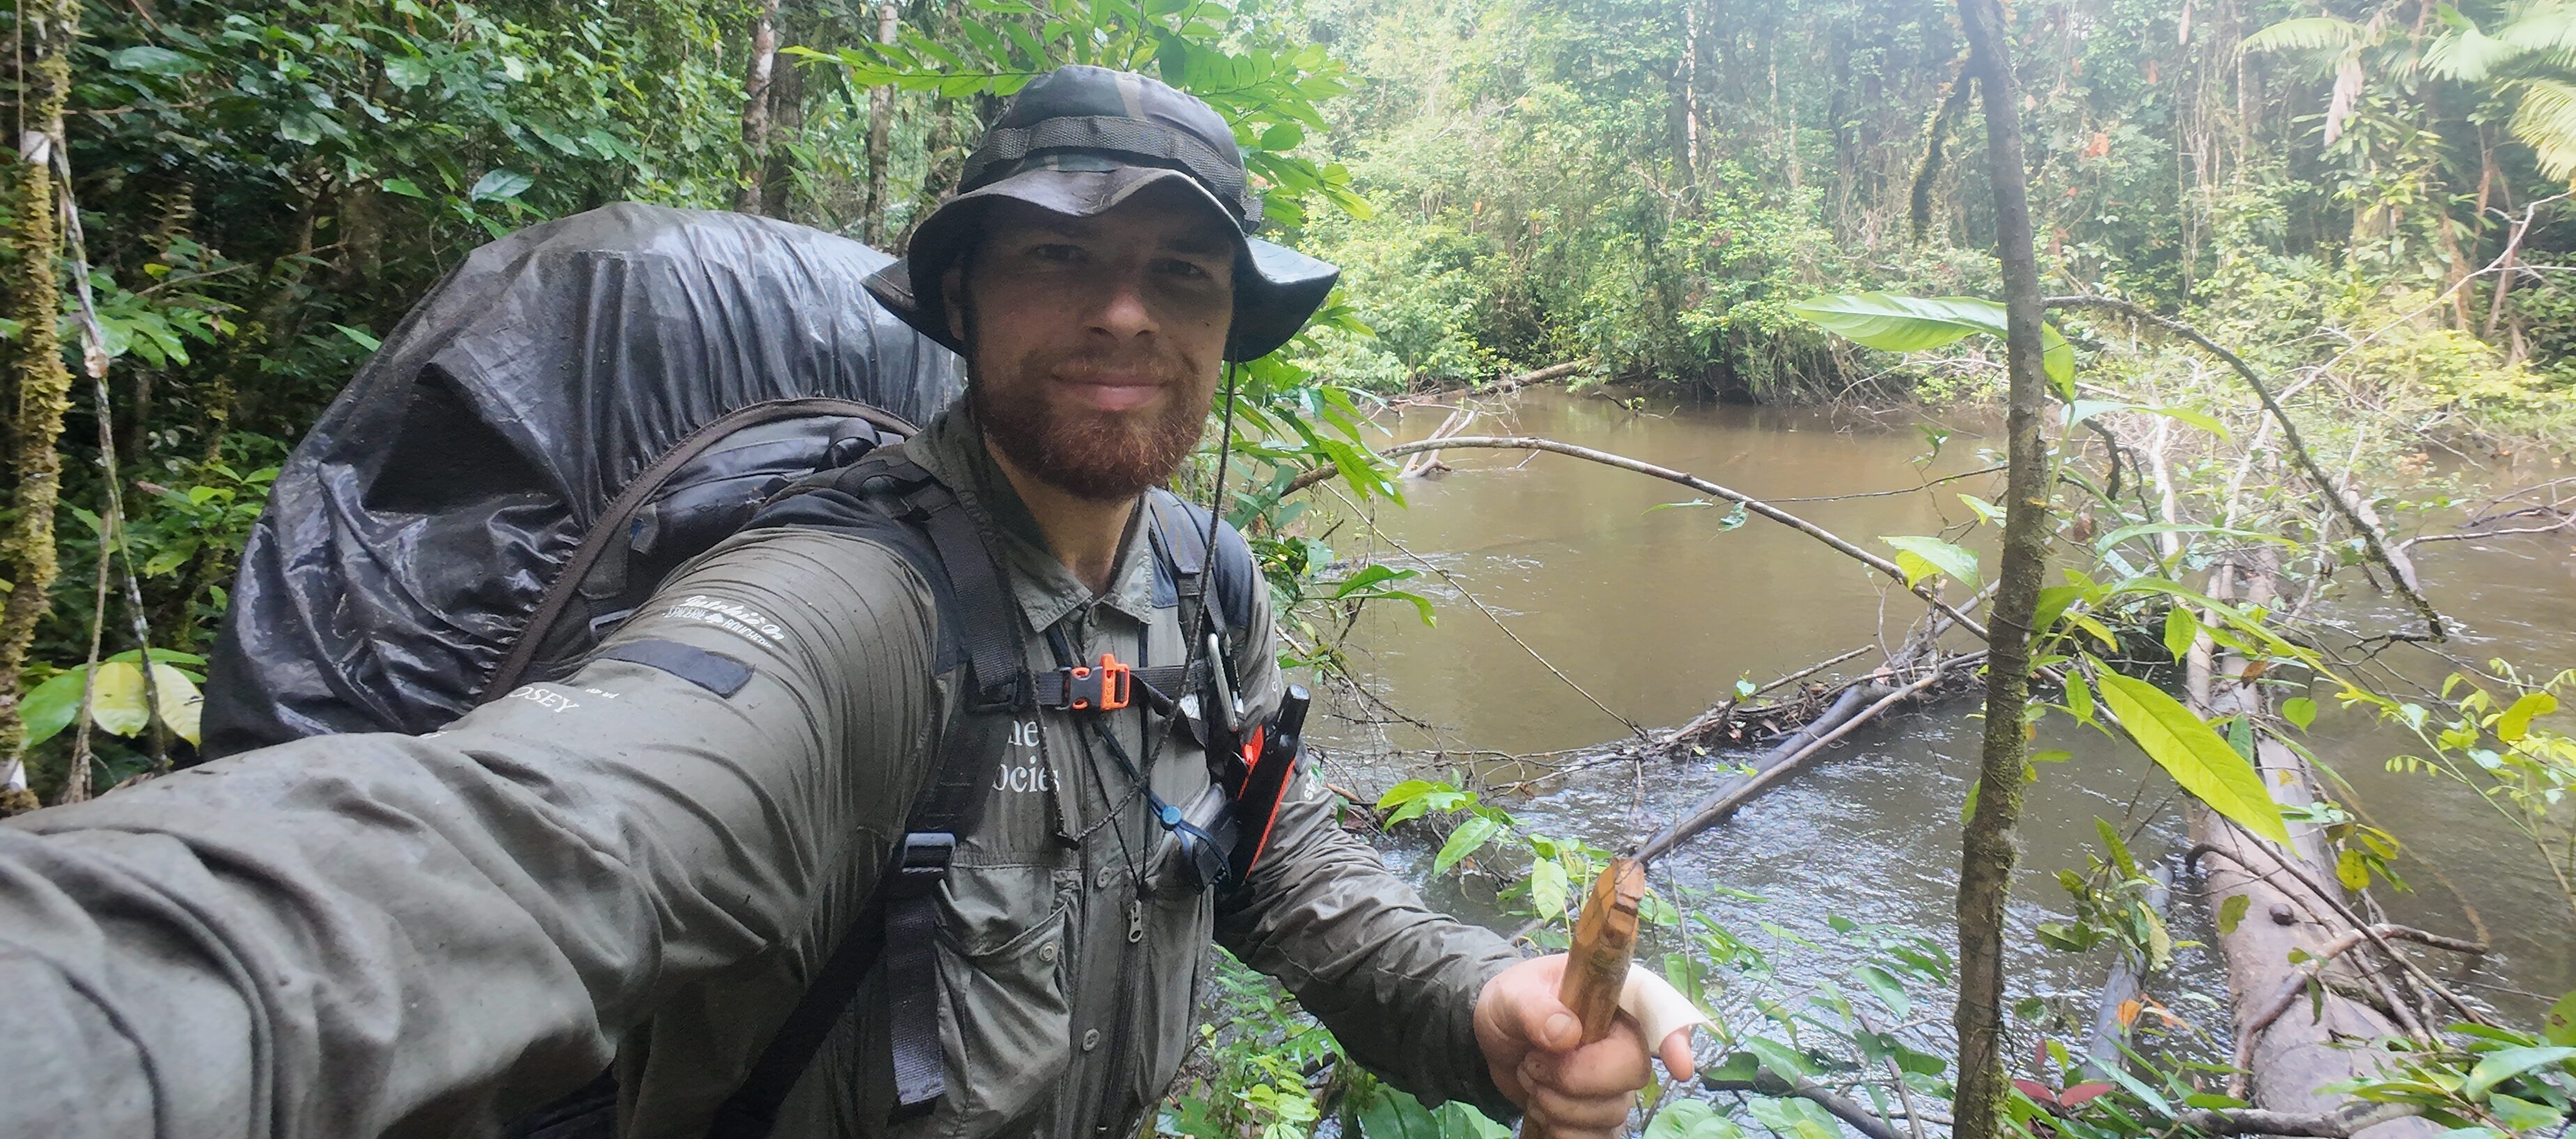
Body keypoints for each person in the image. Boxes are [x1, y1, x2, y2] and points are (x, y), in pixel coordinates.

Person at [0, 67, 1697, 1139]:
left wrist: (1479, 1006)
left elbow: (1265, 856)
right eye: (1059, 259)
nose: (1125, 314)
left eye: (1180, 274)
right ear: (959, 300)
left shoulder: (1200, 582)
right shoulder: (847, 607)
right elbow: (528, 842)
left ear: (1224, 330)